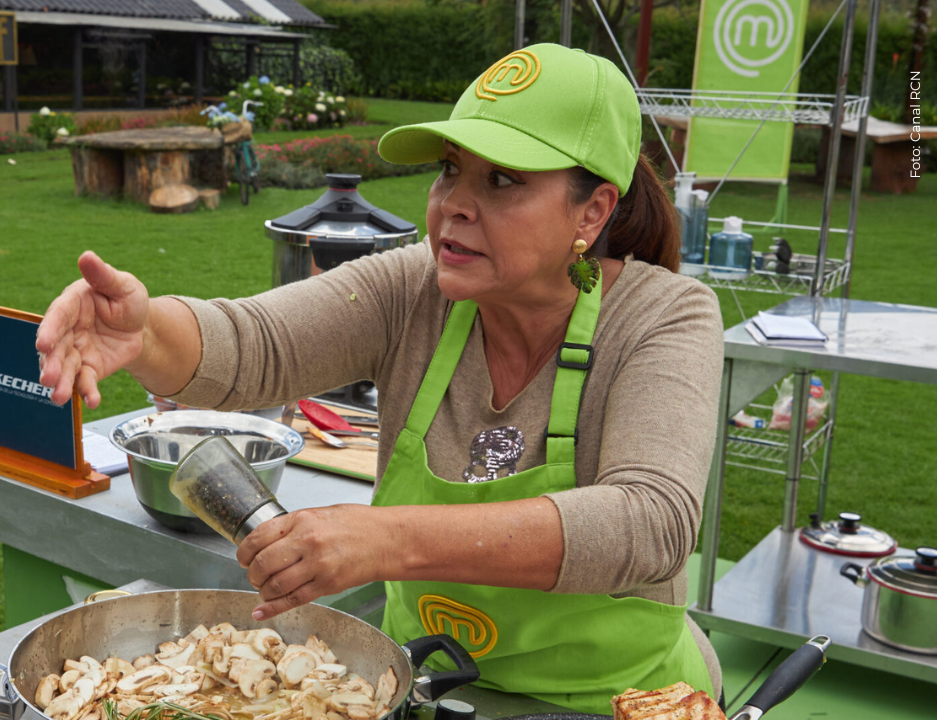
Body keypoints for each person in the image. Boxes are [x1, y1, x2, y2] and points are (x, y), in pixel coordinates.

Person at [36, 43, 724, 714]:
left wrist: (384, 540)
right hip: (421, 682)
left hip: (624, 701)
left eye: (502, 180)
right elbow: (255, 344)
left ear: (593, 211)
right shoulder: (415, 287)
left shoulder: (663, 315)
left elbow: (650, 521)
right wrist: (144, 330)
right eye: (450, 169)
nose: (454, 204)